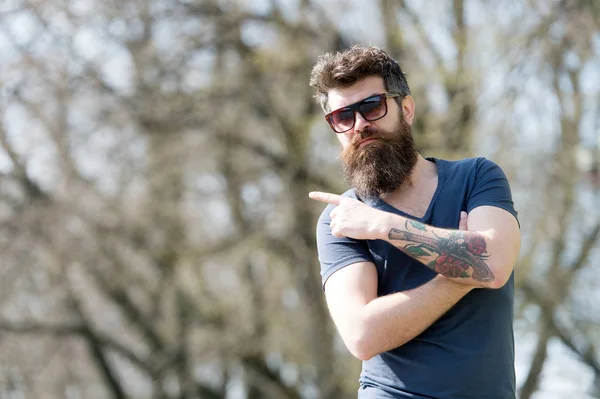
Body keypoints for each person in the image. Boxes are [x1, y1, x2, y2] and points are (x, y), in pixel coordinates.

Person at [308, 45, 521, 399]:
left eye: (372, 106)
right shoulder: (340, 218)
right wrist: (462, 275)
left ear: (406, 109)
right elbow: (362, 335)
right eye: (343, 116)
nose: (360, 125)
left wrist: (383, 226)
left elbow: (494, 264)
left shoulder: (477, 177)